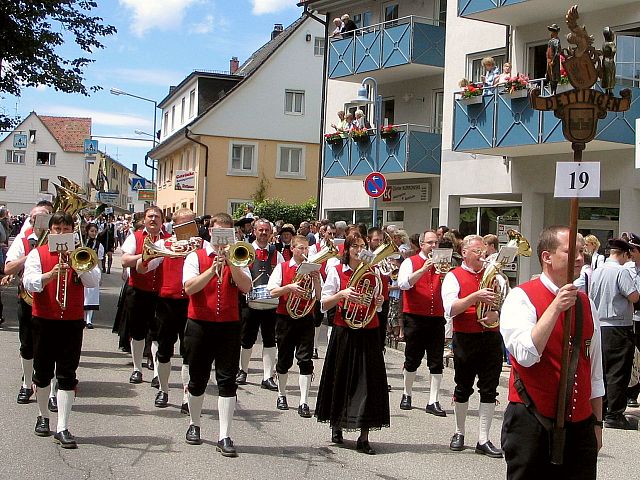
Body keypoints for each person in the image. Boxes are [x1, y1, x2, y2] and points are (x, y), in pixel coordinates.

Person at [500, 226, 604, 479]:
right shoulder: (521, 298)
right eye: (571, 252)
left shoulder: (586, 303)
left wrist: (597, 425)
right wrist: (555, 307)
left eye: (581, 251)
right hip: (532, 421)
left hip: (580, 425)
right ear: (547, 257)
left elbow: (594, 371)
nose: (580, 258)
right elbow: (525, 355)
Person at [23, 212, 101, 448]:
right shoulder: (38, 253)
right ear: (51, 230)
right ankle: (44, 416)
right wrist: (49, 275)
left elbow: (93, 281)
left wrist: (77, 266)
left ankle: (63, 426)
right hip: (44, 320)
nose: (61, 232)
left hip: (71, 321)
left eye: (66, 228)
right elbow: (28, 282)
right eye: (57, 229)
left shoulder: (81, 254)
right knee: (43, 372)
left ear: (72, 231)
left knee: (67, 374)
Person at [182, 212, 252, 456]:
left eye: (227, 232)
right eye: (218, 231)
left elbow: (247, 287)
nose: (221, 237)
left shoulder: (239, 257)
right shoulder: (195, 256)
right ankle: (195, 424)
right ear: (210, 231)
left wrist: (231, 264)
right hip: (199, 324)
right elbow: (189, 288)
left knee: (227, 381)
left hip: (229, 325)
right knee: (197, 379)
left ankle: (225, 435)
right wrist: (212, 269)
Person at [316, 233, 389, 455]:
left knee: (369, 383)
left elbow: (377, 306)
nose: (359, 250)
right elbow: (323, 303)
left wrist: (378, 301)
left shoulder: (374, 272)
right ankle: (337, 426)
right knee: (341, 378)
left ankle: (364, 436)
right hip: (344, 331)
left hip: (368, 332)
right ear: (347, 250)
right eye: (355, 246)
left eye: (362, 246)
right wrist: (342, 294)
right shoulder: (337, 271)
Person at [441, 235, 503, 458]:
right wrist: (475, 296)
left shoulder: (495, 275)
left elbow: (503, 301)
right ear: (464, 252)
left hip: (491, 337)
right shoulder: (453, 276)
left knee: (489, 388)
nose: (482, 255)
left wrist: (497, 312)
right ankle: (459, 432)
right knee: (463, 386)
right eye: (476, 251)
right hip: (466, 337)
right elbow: (450, 308)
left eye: (483, 251)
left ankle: (483, 438)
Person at [137, 208, 202, 412]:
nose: (188, 228)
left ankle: (186, 394)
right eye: (183, 224)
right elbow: (142, 268)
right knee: (164, 350)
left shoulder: (202, 245)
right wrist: (144, 258)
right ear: (174, 226)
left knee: (189, 352)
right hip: (167, 302)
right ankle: (164, 389)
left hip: (192, 302)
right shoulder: (164, 244)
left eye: (191, 224)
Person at [267, 235, 321, 417]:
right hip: (285, 318)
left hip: (306, 317)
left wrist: (316, 281)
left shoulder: (312, 268)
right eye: (300, 248)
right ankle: (282, 395)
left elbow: (318, 297)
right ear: (292, 249)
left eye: (306, 249)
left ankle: (304, 401)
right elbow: (272, 291)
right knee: (284, 359)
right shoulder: (282, 268)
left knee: (305, 360)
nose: (304, 252)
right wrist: (289, 287)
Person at [588, 238, 639, 430]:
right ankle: (615, 414)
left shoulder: (597, 270)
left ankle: (601, 408)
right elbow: (633, 296)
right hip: (618, 326)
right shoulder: (621, 271)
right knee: (618, 372)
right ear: (624, 254)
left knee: (601, 370)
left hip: (599, 325)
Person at [4, 205, 51, 405]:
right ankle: (26, 383)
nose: (39, 223)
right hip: (27, 298)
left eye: (45, 219)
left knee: (51, 346)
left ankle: (51, 390)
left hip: (52, 299)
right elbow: (8, 268)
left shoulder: (60, 241)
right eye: (35, 219)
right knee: (27, 345)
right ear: (30, 221)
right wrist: (31, 255)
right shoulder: (23, 241)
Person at [397, 230, 447, 416]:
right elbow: (403, 284)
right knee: (412, 358)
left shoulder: (444, 264)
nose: (434, 246)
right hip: (415, 317)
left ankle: (433, 400)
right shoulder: (411, 262)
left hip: (436, 317)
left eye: (436, 243)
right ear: (422, 244)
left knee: (436, 360)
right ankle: (406, 393)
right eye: (430, 243)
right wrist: (423, 269)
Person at [120, 206, 171, 384]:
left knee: (157, 333)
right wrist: (144, 256)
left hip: (161, 292)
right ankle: (137, 369)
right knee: (137, 332)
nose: (153, 219)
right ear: (144, 219)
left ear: (162, 221)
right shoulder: (135, 237)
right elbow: (125, 260)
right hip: (138, 290)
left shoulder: (169, 240)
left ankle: (157, 372)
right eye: (150, 216)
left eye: (157, 216)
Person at [236, 218, 284, 391]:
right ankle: (242, 370)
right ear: (254, 231)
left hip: (270, 303)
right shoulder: (244, 251)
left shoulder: (276, 253)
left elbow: (281, 274)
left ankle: (267, 376)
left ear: (270, 233)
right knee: (246, 338)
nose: (264, 233)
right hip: (249, 302)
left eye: (266, 230)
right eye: (260, 230)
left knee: (270, 339)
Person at [625, 233, 640, 407]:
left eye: (633, 250)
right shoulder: (627, 269)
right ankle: (631, 392)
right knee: (632, 356)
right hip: (630, 317)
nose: (630, 254)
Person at [83, 223, 104, 329]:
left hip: (93, 270)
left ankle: (89, 320)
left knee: (92, 296)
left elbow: (99, 261)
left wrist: (100, 276)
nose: (94, 233)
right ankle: (82, 318)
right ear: (87, 231)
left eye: (95, 231)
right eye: (92, 231)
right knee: (83, 295)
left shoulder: (99, 245)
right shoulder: (82, 242)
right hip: (82, 269)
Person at [546, 23, 562, 94]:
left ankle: (554, 91)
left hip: (553, 61)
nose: (551, 33)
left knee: (554, 76)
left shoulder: (556, 41)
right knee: (550, 76)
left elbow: (557, 52)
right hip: (549, 61)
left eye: (552, 31)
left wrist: (553, 60)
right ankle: (552, 91)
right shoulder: (550, 41)